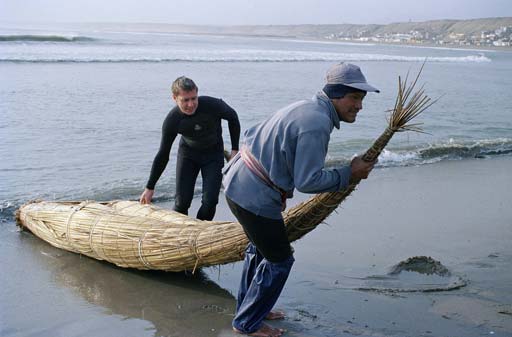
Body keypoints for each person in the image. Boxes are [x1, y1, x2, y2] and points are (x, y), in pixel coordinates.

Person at [222, 63, 379, 337]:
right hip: (253, 195)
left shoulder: (304, 107)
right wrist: (348, 173)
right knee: (280, 260)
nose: (359, 106)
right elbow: (308, 181)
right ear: (336, 95)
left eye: (361, 99)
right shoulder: (317, 123)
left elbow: (250, 134)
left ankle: (253, 307)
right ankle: (247, 324)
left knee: (261, 250)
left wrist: (275, 178)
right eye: (355, 98)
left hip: (237, 182)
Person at [140, 76, 240, 221]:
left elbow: (233, 117)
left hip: (213, 154)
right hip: (188, 155)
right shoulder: (173, 120)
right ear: (174, 98)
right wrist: (150, 187)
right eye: (185, 100)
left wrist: (234, 150)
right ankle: (179, 234)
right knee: (181, 202)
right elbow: (163, 154)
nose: (191, 104)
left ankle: (199, 231)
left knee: (210, 201)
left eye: (194, 98)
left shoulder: (212, 105)